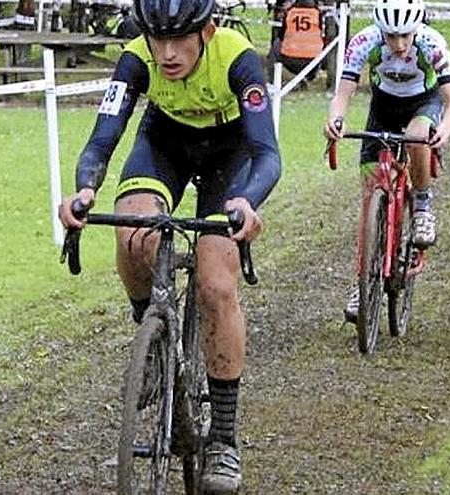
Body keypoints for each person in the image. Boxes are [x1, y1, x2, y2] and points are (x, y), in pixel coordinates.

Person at [57, 0, 282, 490]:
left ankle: (223, 439)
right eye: (157, 38)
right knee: (134, 232)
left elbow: (267, 153)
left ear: (208, 30)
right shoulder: (136, 58)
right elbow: (102, 140)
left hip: (232, 154)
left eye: (179, 39)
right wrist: (84, 187)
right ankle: (154, 338)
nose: (166, 53)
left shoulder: (238, 59)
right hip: (164, 144)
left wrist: (248, 202)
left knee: (215, 281)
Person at [324, 0, 450, 323]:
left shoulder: (432, 43)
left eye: (405, 36)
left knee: (416, 137)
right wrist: (336, 120)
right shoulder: (364, 42)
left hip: (422, 104)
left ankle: (423, 207)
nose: (399, 45)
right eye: (391, 36)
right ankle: (363, 278)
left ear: (417, 29)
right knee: (370, 194)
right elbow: (342, 94)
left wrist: (444, 128)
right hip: (383, 108)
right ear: (380, 31)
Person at [267, 0, 325, 81]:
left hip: (290, 60)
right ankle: (312, 76)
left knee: (276, 43)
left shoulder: (290, 12)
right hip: (313, 61)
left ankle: (273, 78)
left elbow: (281, 35)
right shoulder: (317, 13)